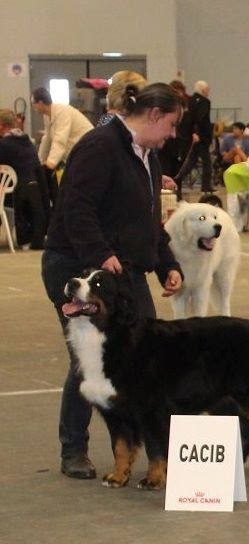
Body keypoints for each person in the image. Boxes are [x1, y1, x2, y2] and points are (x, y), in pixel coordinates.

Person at [41, 82, 184, 480]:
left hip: (123, 270)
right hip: (76, 266)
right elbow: (76, 208)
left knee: (144, 359)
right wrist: (100, 256)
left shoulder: (147, 156)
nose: (172, 134)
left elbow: (147, 222)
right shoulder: (100, 146)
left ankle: (150, 453)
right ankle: (74, 448)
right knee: (89, 359)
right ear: (154, 115)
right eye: (171, 124)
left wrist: (166, 264)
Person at [31, 87, 93, 205]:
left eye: (33, 104)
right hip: (75, 154)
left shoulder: (62, 111)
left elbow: (60, 139)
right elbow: (47, 138)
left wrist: (50, 164)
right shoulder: (47, 115)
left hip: (88, 149)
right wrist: (39, 161)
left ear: (40, 103)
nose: (33, 108)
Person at [0, 109, 49, 249]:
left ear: (1, 125)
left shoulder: (4, 145)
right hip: (33, 190)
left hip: (15, 195)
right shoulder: (26, 140)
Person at [176, 80, 214, 193]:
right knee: (206, 162)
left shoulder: (190, 101)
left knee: (191, 161)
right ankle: (206, 186)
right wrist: (197, 132)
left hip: (191, 135)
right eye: (207, 89)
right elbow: (200, 119)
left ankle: (177, 178)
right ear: (203, 90)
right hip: (201, 137)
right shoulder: (204, 102)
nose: (209, 92)